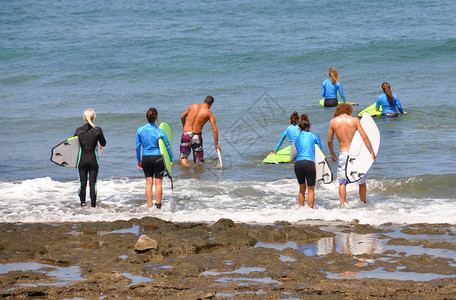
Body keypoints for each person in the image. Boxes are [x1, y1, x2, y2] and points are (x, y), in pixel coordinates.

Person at [327, 103, 376, 206]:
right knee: (361, 181)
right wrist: (371, 152)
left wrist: (332, 153)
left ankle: (343, 205)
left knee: (342, 182)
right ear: (349, 110)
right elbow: (364, 137)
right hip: (355, 155)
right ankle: (363, 202)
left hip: (343, 154)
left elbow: (329, 140)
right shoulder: (355, 120)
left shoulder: (333, 122)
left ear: (338, 110)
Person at [136, 107, 174, 209]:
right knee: (158, 184)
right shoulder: (159, 131)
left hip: (146, 158)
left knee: (148, 183)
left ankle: (150, 206)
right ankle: (158, 206)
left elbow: (137, 147)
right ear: (156, 117)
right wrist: (171, 159)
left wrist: (138, 160)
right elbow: (167, 146)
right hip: (158, 159)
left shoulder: (140, 130)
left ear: (146, 117)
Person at [74, 109, 106, 208]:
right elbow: (103, 143)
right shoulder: (98, 130)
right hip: (93, 159)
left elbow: (72, 146)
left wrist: (73, 162)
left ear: (84, 118)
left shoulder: (78, 130)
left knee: (82, 183)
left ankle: (83, 204)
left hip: (82, 159)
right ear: (94, 117)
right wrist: (99, 145)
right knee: (93, 183)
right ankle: (93, 206)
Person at [180, 95, 220, 165]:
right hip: (196, 136)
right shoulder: (209, 114)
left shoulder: (193, 106)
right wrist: (216, 145)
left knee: (184, 157)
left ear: (204, 101)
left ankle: (185, 174)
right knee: (198, 161)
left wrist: (184, 127)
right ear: (211, 104)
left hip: (186, 133)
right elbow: (214, 130)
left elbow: (182, 116)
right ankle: (197, 175)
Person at [294, 114, 322, 208]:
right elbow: (320, 153)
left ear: (299, 128)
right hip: (309, 163)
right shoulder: (314, 136)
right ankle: (310, 211)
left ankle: (301, 209)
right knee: (311, 189)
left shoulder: (296, 138)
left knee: (302, 188)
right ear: (309, 126)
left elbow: (296, 151)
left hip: (298, 164)